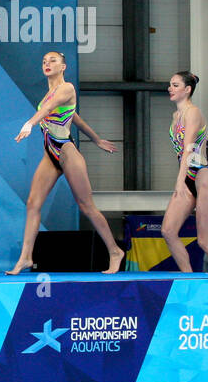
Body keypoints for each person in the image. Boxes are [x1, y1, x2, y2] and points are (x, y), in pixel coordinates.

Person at [9, 50, 124, 274]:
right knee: (33, 203)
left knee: (86, 206)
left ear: (63, 66)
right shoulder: (49, 93)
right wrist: (96, 139)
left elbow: (48, 109)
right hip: (50, 156)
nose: (47, 64)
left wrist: (30, 123)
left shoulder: (66, 88)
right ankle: (25, 257)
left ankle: (114, 250)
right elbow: (75, 118)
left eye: (53, 60)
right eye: (44, 61)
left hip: (67, 152)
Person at [161, 72, 208, 273]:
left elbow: (189, 148)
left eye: (175, 85)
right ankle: (188, 277)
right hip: (188, 174)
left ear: (187, 89)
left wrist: (180, 181)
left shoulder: (193, 112)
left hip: (202, 176)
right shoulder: (176, 115)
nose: (170, 88)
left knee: (205, 241)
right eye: (170, 85)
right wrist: (181, 179)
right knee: (168, 231)